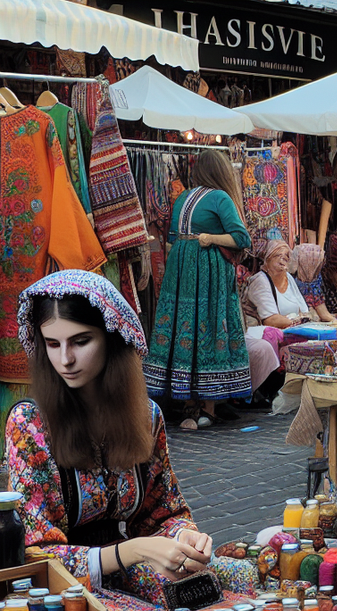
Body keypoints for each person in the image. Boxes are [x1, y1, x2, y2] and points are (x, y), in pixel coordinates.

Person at [5, 271, 256, 611]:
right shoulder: (30, 425)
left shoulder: (145, 416)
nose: (66, 359)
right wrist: (134, 551)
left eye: (80, 341)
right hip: (65, 588)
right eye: (53, 344)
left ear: (112, 337)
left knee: (241, 581)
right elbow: (37, 555)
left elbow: (163, 511)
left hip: (132, 564)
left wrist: (184, 537)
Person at [143, 149, 252, 430]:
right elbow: (242, 238)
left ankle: (192, 404)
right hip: (207, 273)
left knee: (186, 332)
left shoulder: (183, 198)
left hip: (181, 272)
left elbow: (171, 240)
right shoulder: (220, 198)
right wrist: (211, 239)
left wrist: (197, 245)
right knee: (209, 328)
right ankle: (207, 407)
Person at [242, 240, 329, 408]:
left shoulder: (288, 277)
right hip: (261, 331)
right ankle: (269, 389)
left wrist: (302, 320)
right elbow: (270, 319)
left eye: (286, 256)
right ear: (267, 259)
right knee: (282, 337)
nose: (283, 260)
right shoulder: (260, 280)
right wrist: (298, 321)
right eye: (277, 256)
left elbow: (304, 309)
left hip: (290, 326)